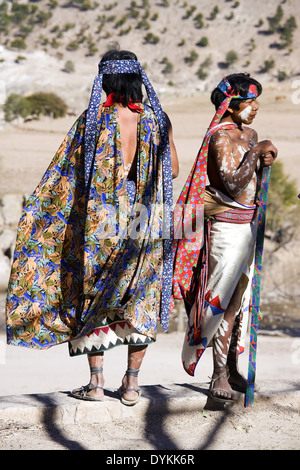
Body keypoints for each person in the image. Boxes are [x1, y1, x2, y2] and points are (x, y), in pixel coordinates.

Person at [6, 48, 179, 406]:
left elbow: (64, 175)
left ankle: (96, 384)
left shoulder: (93, 121)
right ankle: (131, 385)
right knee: (140, 298)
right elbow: (172, 170)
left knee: (95, 294)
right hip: (146, 217)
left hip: (103, 220)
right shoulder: (157, 119)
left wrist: (38, 212)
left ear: (107, 81)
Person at [173, 73, 277, 403]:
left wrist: (264, 157)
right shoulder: (220, 138)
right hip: (225, 229)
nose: (256, 107)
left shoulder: (250, 134)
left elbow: (252, 184)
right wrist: (257, 152)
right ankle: (217, 373)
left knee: (241, 302)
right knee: (222, 301)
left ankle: (231, 368)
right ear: (230, 106)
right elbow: (232, 184)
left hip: (247, 227)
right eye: (249, 102)